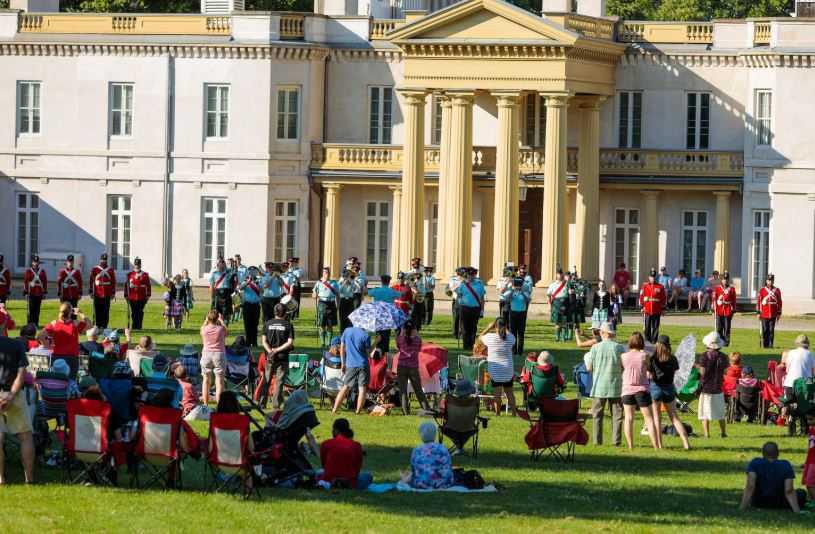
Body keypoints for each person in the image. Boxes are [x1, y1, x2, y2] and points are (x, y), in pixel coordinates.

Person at [0, 335, 35, 485]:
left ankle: (1, 478)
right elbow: (21, 375)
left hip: (6, 393)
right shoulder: (16, 344)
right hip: (14, 394)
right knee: (25, 437)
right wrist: (11, 395)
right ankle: (29, 479)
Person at [648, 335, 691, 449]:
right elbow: (676, 370)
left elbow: (650, 374)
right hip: (669, 388)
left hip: (655, 387)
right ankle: (686, 443)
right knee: (674, 418)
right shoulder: (673, 358)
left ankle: (659, 445)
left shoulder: (653, 358)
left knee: (657, 418)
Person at [585, 322, 624, 446]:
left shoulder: (595, 347)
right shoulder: (619, 347)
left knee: (597, 415)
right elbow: (624, 366)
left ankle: (597, 441)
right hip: (615, 385)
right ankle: (616, 441)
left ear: (603, 333)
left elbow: (589, 368)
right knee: (617, 415)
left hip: (599, 385)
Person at [739, 442, 806, 513]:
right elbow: (788, 490)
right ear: (778, 453)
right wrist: (797, 510)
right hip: (780, 502)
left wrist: (742, 508)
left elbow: (750, 486)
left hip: (759, 502)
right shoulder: (785, 465)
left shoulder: (754, 463)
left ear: (763, 453)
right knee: (801, 493)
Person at [621, 332, 660, 450]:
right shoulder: (644, 356)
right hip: (642, 388)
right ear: (642, 343)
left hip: (627, 388)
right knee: (648, 418)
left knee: (628, 418)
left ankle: (630, 445)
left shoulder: (623, 356)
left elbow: (624, 367)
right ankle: (655, 445)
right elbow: (648, 368)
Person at [477, 318, 518, 417]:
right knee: (510, 393)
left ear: (495, 327)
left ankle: (498, 413)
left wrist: (488, 327)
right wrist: (505, 327)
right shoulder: (510, 338)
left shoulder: (490, 337)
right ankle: (513, 413)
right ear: (506, 326)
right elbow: (511, 335)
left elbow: (480, 337)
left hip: (495, 369)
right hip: (508, 370)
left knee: (497, 394)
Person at [332, 326, 377, 415]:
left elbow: (342, 348)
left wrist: (343, 363)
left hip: (350, 364)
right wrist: (376, 342)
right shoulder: (365, 335)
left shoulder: (347, 331)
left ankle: (335, 409)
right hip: (363, 364)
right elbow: (368, 354)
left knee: (345, 387)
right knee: (362, 388)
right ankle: (358, 411)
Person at [318, 418, 372, 490]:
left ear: (336, 430)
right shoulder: (356, 445)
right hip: (350, 482)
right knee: (367, 476)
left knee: (318, 472)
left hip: (328, 480)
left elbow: (324, 465)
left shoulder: (326, 443)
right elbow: (357, 468)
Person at [261, 303, 295, 411]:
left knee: (266, 379)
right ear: (285, 313)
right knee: (279, 382)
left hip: (270, 356)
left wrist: (270, 351)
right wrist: (277, 350)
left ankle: (262, 403)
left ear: (274, 312)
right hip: (282, 357)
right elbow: (290, 342)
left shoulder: (267, 323)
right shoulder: (288, 325)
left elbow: (263, 341)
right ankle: (276, 405)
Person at [696, 331, 729, 438]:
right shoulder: (724, 357)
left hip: (706, 388)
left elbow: (703, 373)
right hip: (718, 387)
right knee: (720, 412)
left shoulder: (704, 356)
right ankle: (723, 432)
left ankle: (706, 434)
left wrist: (696, 366)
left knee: (705, 413)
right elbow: (725, 372)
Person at [44, 302, 89, 379]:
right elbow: (89, 325)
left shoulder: (54, 324)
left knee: (57, 380)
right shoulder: (75, 323)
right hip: (72, 357)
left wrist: (48, 345)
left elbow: (40, 335)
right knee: (71, 381)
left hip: (57, 357)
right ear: (70, 312)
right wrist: (81, 314)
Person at [405, 421, 453, 490]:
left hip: (422, 483)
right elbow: (448, 465)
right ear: (434, 435)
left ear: (421, 435)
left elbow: (413, 469)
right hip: (444, 483)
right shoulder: (443, 448)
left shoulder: (417, 450)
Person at [395, 321, 430, 416]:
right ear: (414, 329)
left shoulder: (400, 339)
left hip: (401, 366)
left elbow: (397, 346)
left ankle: (405, 412)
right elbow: (419, 348)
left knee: (403, 391)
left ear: (404, 329)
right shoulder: (418, 339)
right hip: (413, 367)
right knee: (418, 390)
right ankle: (426, 408)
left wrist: (401, 333)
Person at [783, 334, 814, 436]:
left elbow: (787, 369)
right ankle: (804, 428)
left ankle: (791, 421)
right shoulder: (810, 354)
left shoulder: (791, 353)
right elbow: (813, 372)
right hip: (805, 384)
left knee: (791, 404)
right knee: (805, 406)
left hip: (790, 383)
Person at [367, 274, 400, 355]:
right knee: (386, 336)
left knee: (378, 335)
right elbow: (400, 295)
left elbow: (368, 293)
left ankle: (378, 351)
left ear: (381, 281)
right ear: (389, 282)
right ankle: (385, 351)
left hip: (378, 316)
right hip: (388, 316)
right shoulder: (391, 291)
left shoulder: (377, 290)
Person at [200, 309, 227, 405]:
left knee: (206, 380)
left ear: (208, 318)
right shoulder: (220, 329)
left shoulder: (204, 329)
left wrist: (206, 320)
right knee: (219, 381)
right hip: (219, 354)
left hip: (206, 354)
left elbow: (202, 328)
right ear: (217, 319)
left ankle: (205, 404)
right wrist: (222, 320)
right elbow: (226, 332)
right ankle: (219, 405)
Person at [455, 268, 485, 351]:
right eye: (469, 275)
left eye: (473, 275)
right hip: (464, 308)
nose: (471, 277)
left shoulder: (480, 284)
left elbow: (482, 298)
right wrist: (460, 302)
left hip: (476, 308)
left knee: (473, 328)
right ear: (467, 275)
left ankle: (472, 345)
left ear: (475, 275)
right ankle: (466, 346)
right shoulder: (462, 284)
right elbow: (459, 295)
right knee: (464, 328)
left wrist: (482, 310)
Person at [502, 277, 531, 356]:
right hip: (513, 313)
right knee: (512, 332)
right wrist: (512, 290)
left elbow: (528, 299)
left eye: (519, 284)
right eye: (516, 284)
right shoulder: (511, 291)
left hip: (522, 314)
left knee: (521, 333)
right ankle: (513, 350)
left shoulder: (525, 292)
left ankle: (520, 351)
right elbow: (506, 299)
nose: (518, 285)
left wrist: (521, 291)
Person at [313, 267, 340, 349]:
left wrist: (337, 306)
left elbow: (338, 295)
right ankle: (322, 342)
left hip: (331, 303)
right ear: (322, 273)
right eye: (325, 272)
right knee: (321, 324)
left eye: (327, 272)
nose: (326, 274)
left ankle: (329, 343)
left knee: (330, 324)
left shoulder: (334, 283)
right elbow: (313, 294)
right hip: (322, 303)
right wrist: (315, 295)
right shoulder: (318, 283)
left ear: (329, 273)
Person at [89, 253, 116, 329]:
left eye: (105, 260)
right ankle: (97, 325)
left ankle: (104, 326)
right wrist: (91, 291)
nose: (104, 261)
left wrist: (113, 292)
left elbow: (113, 281)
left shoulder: (110, 270)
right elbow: (91, 281)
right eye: (102, 260)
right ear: (100, 260)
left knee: (106, 311)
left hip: (107, 293)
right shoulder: (95, 269)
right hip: (97, 293)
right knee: (97, 311)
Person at [639, 268, 666, 344]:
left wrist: (663, 309)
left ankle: (654, 341)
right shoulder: (645, 286)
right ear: (649, 277)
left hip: (656, 309)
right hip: (647, 309)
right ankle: (647, 340)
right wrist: (642, 307)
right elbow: (641, 296)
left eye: (654, 277)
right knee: (647, 326)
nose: (652, 278)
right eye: (651, 277)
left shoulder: (660, 287)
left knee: (655, 327)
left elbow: (663, 298)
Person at [124, 257, 150, 330]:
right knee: (134, 313)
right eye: (136, 264)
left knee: (140, 312)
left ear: (140, 265)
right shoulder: (130, 275)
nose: (137, 266)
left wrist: (148, 295)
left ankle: (139, 326)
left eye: (138, 264)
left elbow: (148, 285)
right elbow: (126, 285)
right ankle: (134, 326)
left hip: (142, 297)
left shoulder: (145, 275)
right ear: (134, 265)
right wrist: (126, 295)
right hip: (132, 297)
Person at [238, 266, 262, 347]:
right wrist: (247, 282)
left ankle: (254, 342)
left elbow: (262, 290)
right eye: (250, 271)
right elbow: (240, 288)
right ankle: (248, 342)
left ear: (256, 272)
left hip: (256, 305)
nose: (252, 273)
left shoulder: (259, 280)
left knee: (255, 324)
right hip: (247, 305)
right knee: (247, 324)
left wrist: (257, 284)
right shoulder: (245, 281)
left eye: (254, 271)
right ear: (248, 272)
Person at [757, 274, 782, 349]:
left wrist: (779, 312)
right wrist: (758, 312)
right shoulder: (762, 290)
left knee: (771, 330)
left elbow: (779, 302)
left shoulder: (777, 290)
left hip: (773, 313)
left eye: (771, 280)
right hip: (764, 313)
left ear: (773, 281)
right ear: (766, 281)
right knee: (765, 330)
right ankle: (765, 345)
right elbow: (759, 302)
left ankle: (771, 344)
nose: (770, 282)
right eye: (768, 280)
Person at [209, 257, 236, 326]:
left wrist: (233, 263)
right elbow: (212, 286)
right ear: (217, 264)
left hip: (227, 293)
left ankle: (225, 326)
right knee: (216, 312)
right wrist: (212, 297)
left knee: (226, 313)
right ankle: (217, 326)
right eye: (220, 262)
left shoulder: (229, 272)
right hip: (218, 294)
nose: (221, 264)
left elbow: (235, 274)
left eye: (223, 262)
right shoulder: (214, 273)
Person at [712, 272, 736, 347]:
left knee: (727, 328)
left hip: (728, 310)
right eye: (723, 279)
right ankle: (720, 341)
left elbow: (734, 300)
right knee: (719, 328)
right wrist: (713, 307)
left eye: (726, 279)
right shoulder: (717, 288)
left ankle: (726, 342)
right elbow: (714, 298)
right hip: (719, 310)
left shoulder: (731, 289)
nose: (725, 281)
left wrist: (733, 309)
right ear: (721, 280)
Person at [23, 255, 47, 327]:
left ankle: (36, 323)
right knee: (31, 310)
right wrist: (26, 291)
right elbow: (26, 282)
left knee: (37, 310)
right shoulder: (28, 271)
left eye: (37, 262)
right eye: (34, 262)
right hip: (31, 293)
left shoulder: (42, 272)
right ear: (32, 262)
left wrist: (44, 292)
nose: (36, 263)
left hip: (39, 293)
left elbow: (44, 282)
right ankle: (30, 324)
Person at [547, 269, 569, 342]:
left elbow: (570, 293)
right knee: (557, 322)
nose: (559, 275)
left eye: (561, 274)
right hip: (556, 303)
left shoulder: (566, 284)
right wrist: (549, 305)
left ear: (562, 274)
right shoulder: (552, 285)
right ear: (556, 275)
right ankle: (557, 337)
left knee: (564, 322)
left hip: (565, 303)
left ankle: (563, 337)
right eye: (558, 274)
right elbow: (549, 296)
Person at [445, 267, 465, 340]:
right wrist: (460, 283)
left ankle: (462, 333)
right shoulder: (453, 279)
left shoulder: (466, 280)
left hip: (465, 301)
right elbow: (452, 288)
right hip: (456, 300)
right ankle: (455, 333)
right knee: (456, 317)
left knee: (463, 318)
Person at [338, 267, 358, 332]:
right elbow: (339, 290)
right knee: (342, 318)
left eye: (348, 275)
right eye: (347, 275)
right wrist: (344, 283)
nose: (348, 277)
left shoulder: (352, 282)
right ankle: (342, 331)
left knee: (350, 317)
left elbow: (356, 288)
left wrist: (351, 282)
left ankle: (350, 331)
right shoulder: (340, 281)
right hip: (343, 300)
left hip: (350, 300)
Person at [803, 414, 815, 501]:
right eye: (807, 420)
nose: (808, 422)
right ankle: (811, 500)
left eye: (811, 419)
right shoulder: (811, 430)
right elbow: (810, 448)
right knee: (807, 482)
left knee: (809, 483)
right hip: (810, 460)